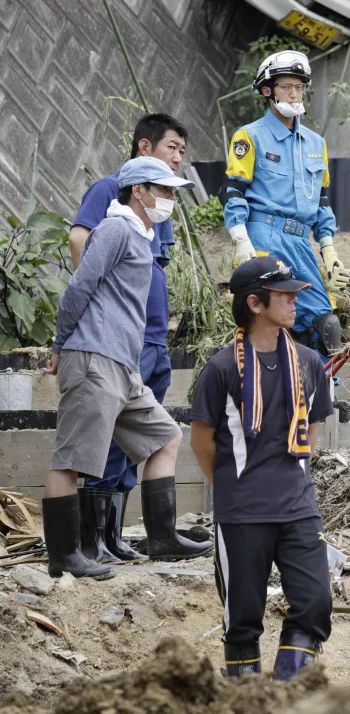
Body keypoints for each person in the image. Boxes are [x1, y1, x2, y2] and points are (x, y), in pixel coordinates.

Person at [42, 157, 212, 579]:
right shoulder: (116, 228)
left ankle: (163, 538)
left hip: (122, 365)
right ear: (139, 190)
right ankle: (63, 556)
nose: (171, 199)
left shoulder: (142, 234)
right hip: (94, 358)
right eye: (166, 190)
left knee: (164, 438)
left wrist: (132, 365)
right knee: (72, 460)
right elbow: (80, 286)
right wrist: (61, 346)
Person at [190, 256, 333, 680]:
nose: (294, 301)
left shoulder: (308, 362)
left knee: (314, 602)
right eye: (284, 295)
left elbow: (314, 428)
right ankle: (245, 701)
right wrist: (237, 489)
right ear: (255, 303)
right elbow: (202, 443)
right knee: (242, 619)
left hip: (298, 508)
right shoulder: (219, 370)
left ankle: (288, 693)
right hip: (243, 513)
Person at [69, 113, 188, 564]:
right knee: (113, 435)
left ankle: (114, 537)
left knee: (138, 441)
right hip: (122, 339)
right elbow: (80, 241)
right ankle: (91, 540)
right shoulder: (110, 188)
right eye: (171, 147)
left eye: (181, 151)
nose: (178, 157)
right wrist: (103, 318)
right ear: (144, 147)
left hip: (154, 337)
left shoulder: (162, 206)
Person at [221, 50, 350, 356]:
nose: (294, 94)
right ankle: (265, 394)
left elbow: (322, 203)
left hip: (301, 242)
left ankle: (321, 399)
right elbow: (233, 191)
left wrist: (329, 252)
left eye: (299, 87)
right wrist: (241, 241)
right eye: (286, 87)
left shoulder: (315, 144)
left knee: (325, 325)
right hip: (264, 236)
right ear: (267, 90)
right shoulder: (249, 137)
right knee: (270, 322)